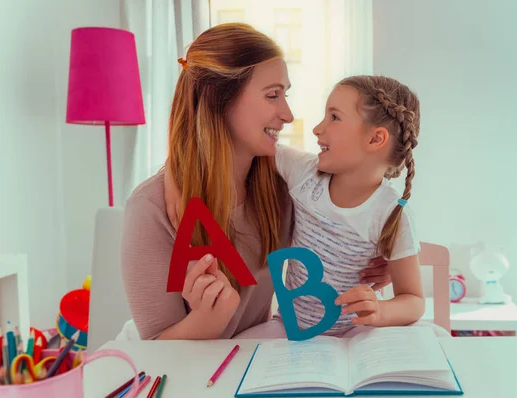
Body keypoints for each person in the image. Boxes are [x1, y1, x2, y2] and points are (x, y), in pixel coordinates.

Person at [120, 22, 391, 341]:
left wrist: (372, 261)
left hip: (255, 360)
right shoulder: (149, 209)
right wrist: (209, 321)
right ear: (218, 98)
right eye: (272, 95)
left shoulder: (284, 187)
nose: (288, 114)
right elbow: (155, 347)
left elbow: (341, 224)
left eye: (285, 95)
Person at [166, 75, 432, 340]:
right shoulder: (304, 174)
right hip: (290, 329)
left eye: (334, 117)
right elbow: (238, 140)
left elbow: (413, 300)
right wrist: (173, 178)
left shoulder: (392, 214)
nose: (318, 128)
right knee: (239, 352)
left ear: (375, 139)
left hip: (356, 335)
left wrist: (381, 311)